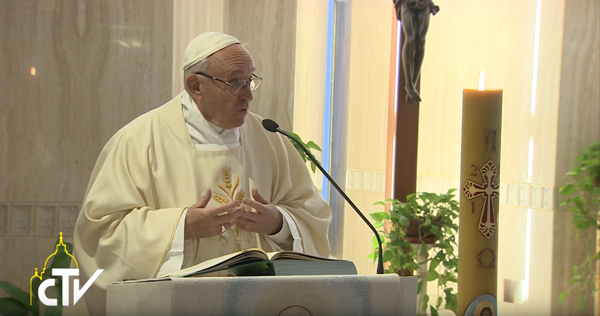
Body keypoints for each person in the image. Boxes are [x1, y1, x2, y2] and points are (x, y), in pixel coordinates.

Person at [70, 32, 332, 316]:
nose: (249, 95)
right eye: (235, 82)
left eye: (250, 80)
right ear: (196, 86)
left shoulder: (270, 139)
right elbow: (101, 236)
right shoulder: (138, 141)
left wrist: (278, 223)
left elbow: (311, 215)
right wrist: (181, 227)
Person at [393, 0, 440, 103]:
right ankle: (409, 86)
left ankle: (411, 85)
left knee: (421, 40)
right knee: (410, 39)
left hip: (423, 3)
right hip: (406, 3)